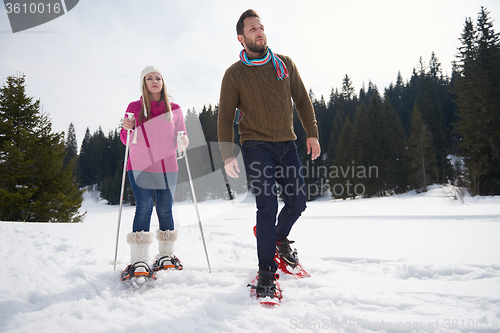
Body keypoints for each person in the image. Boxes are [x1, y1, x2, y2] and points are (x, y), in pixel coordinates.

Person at [217, 10, 321, 298]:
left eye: (261, 27)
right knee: (266, 206)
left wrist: (311, 132)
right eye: (252, 29)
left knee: (298, 202)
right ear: (241, 37)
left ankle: (277, 238)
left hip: (287, 144)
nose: (259, 32)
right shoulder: (234, 75)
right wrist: (227, 152)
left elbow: (302, 99)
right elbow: (225, 117)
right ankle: (266, 272)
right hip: (256, 146)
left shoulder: (284, 65)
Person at [120, 65, 189, 280]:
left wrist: (183, 141)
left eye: (158, 77)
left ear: (162, 82)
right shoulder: (134, 107)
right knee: (144, 206)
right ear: (144, 83)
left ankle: (166, 255)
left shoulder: (174, 108)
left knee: (166, 208)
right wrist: (126, 127)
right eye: (149, 78)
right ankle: (139, 258)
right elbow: (126, 140)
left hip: (167, 165)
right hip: (140, 164)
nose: (154, 81)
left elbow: (182, 138)